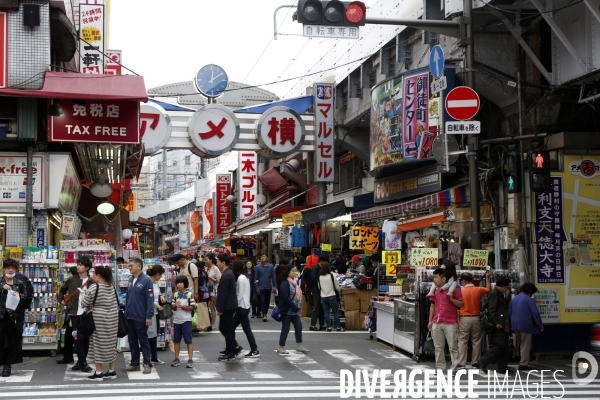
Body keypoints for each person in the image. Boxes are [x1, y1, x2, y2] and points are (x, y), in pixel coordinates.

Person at [82, 265, 119, 381]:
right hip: (112, 319)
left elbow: (84, 303)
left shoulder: (94, 287)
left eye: (94, 273)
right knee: (111, 345)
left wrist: (83, 295)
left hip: (98, 320)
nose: (92, 276)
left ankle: (98, 372)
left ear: (98, 275)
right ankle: (112, 371)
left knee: (98, 345)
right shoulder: (111, 287)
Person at [57, 256, 93, 373]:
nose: (78, 267)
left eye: (81, 265)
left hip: (87, 313)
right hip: (74, 312)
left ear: (87, 268)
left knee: (85, 338)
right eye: (78, 264)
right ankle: (83, 362)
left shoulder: (91, 281)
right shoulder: (72, 279)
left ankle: (81, 361)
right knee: (78, 337)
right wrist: (61, 300)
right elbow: (62, 289)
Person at [427, 266, 464, 373]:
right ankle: (440, 368)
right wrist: (430, 321)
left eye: (436, 277)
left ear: (443, 279)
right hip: (437, 321)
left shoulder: (454, 290)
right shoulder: (435, 290)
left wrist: (451, 298)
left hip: (451, 322)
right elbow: (432, 306)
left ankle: (454, 368)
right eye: (433, 277)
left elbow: (462, 304)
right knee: (438, 347)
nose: (434, 280)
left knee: (453, 347)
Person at [475, 276, 512, 375]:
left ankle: (502, 367)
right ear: (503, 286)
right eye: (506, 287)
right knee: (501, 345)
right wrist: (496, 323)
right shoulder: (495, 293)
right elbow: (492, 309)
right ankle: (483, 360)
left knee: (504, 346)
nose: (507, 288)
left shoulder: (499, 293)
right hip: (498, 324)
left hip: (502, 323)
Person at [123, 258, 155, 374]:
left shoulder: (146, 281)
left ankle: (147, 363)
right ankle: (134, 363)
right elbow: (128, 297)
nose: (129, 268)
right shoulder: (131, 279)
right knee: (132, 341)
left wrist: (149, 316)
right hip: (130, 316)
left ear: (139, 267)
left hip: (141, 316)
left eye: (131, 266)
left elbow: (150, 299)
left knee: (143, 341)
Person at [457, 271, 491, 368]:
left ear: (464, 281)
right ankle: (475, 362)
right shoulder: (478, 289)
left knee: (463, 340)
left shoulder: (461, 291)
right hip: (476, 318)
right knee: (476, 340)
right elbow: (488, 289)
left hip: (464, 318)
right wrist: (487, 278)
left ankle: (462, 362)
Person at [0, 259, 27, 377]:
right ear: (4, 269)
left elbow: (27, 299)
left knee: (11, 342)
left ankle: (7, 365)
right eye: (8, 268)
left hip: (14, 317)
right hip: (1, 316)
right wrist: (2, 289)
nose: (10, 270)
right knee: (1, 341)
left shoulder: (20, 283)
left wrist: (19, 295)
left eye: (13, 268)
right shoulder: (0, 282)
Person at [509, 282, 544, 371]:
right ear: (530, 291)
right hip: (526, 324)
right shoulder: (529, 300)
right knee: (526, 344)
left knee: (522, 343)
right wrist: (539, 324)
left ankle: (522, 360)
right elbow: (535, 313)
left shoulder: (514, 299)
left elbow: (510, 312)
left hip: (515, 324)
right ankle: (523, 363)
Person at [277, 265, 309, 355]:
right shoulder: (285, 283)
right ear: (287, 273)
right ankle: (281, 347)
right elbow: (286, 298)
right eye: (292, 271)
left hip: (293, 310)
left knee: (299, 326)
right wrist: (295, 307)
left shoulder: (294, 282)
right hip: (287, 310)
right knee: (286, 329)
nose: (294, 272)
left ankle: (299, 345)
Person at [231, 261, 260, 357]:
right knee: (235, 328)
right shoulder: (245, 276)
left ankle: (253, 350)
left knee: (244, 329)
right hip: (245, 306)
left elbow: (240, 294)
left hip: (242, 307)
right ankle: (234, 347)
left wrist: (234, 305)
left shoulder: (240, 278)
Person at [215, 253, 239, 361]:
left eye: (218, 262)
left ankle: (231, 351)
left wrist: (220, 309)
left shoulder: (226, 275)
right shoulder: (228, 273)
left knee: (227, 329)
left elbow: (224, 294)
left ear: (223, 263)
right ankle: (232, 347)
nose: (217, 264)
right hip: (229, 305)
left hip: (227, 307)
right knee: (225, 328)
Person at [170, 275, 195, 368]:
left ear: (185, 284)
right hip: (177, 321)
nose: (179, 285)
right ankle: (176, 358)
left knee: (189, 341)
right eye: (178, 283)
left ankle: (190, 359)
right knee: (176, 341)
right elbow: (172, 307)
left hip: (186, 320)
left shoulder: (189, 294)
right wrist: (175, 305)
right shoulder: (175, 294)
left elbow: (193, 307)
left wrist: (183, 307)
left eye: (181, 283)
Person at [147, 264, 166, 365]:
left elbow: (156, 294)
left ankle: (154, 357)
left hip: (156, 312)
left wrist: (161, 297)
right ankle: (149, 357)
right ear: (157, 274)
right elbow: (147, 297)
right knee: (150, 335)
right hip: (150, 312)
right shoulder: (148, 282)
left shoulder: (155, 283)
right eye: (161, 275)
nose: (161, 277)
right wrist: (156, 304)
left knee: (154, 334)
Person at [318, 263, 344, 332]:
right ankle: (338, 327)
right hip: (332, 296)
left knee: (326, 313)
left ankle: (328, 327)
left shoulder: (320, 277)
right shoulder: (331, 276)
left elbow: (319, 287)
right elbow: (337, 287)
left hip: (323, 296)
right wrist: (339, 290)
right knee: (335, 312)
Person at [253, 253, 277, 322]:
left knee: (267, 301)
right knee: (262, 301)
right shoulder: (257, 267)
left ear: (267, 258)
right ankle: (264, 314)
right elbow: (255, 278)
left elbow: (273, 277)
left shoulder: (271, 267)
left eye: (264, 256)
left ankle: (265, 313)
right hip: (261, 286)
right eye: (261, 257)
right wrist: (257, 287)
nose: (263, 258)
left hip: (268, 286)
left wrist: (275, 286)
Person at [309, 255, 327, 331]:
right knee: (316, 307)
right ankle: (312, 325)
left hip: (321, 290)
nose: (326, 263)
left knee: (322, 308)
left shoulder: (322, 268)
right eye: (325, 262)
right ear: (321, 261)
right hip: (316, 290)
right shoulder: (316, 268)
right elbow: (313, 278)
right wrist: (322, 280)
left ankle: (322, 324)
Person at [205, 253, 221, 330]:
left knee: (212, 307)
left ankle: (213, 324)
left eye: (206, 260)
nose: (205, 261)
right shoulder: (205, 268)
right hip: (205, 290)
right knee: (205, 307)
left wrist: (211, 278)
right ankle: (207, 323)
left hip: (213, 290)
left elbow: (219, 280)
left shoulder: (215, 269)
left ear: (211, 260)